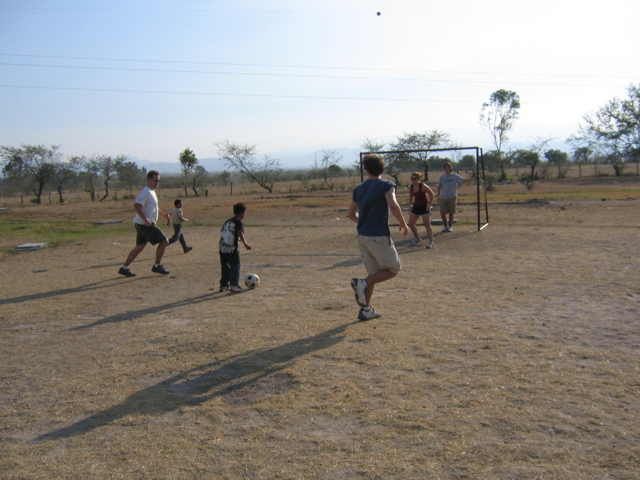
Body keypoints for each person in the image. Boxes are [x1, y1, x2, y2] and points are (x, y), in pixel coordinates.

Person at [348, 153, 409, 321]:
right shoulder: (387, 185)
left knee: (374, 273)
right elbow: (392, 204)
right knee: (392, 269)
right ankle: (363, 283)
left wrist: (364, 222)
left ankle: (366, 309)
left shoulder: (359, 188)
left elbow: (351, 213)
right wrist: (404, 223)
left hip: (362, 236)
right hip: (378, 235)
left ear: (366, 170)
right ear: (383, 168)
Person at [118, 170, 171, 277]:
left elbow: (153, 207)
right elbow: (137, 205)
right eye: (155, 180)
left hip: (141, 223)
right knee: (164, 241)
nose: (157, 183)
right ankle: (157, 266)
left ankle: (124, 268)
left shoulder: (151, 191)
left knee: (139, 247)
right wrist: (146, 219)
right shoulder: (146, 191)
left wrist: (162, 214)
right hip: (145, 224)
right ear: (149, 179)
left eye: (159, 181)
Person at [219, 202, 252, 292]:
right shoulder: (238, 221)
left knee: (225, 266)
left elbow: (226, 232)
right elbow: (239, 232)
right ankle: (234, 285)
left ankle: (224, 285)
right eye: (244, 213)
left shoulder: (228, 221)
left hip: (222, 247)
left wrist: (237, 239)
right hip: (232, 248)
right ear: (241, 213)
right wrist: (245, 243)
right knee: (235, 265)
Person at [436, 162, 476, 232]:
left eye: (447, 167)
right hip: (443, 197)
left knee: (451, 212)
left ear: (450, 168)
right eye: (445, 167)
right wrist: (438, 196)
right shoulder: (442, 177)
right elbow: (439, 187)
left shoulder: (455, 176)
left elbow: (464, 180)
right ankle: (445, 226)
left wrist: (472, 179)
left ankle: (450, 226)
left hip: (452, 196)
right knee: (442, 213)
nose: (446, 169)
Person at [407, 172, 435, 249]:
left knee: (427, 224)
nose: (413, 180)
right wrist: (410, 205)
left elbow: (432, 194)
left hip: (424, 206)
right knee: (411, 223)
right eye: (411, 179)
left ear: (418, 179)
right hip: (416, 206)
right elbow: (410, 196)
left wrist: (429, 205)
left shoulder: (423, 186)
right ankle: (417, 238)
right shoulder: (411, 187)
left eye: (414, 179)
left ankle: (431, 242)